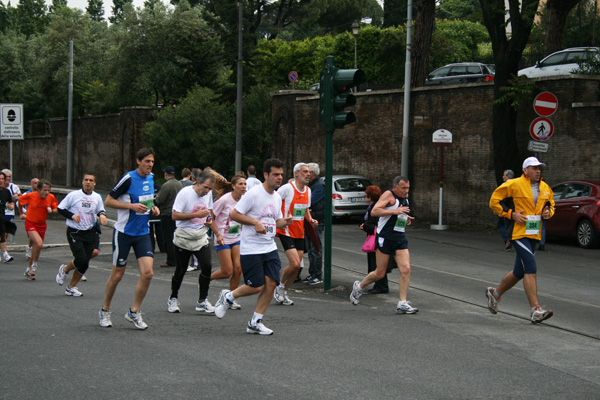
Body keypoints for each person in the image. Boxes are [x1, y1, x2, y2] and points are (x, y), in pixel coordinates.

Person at [214, 158, 293, 335]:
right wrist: (254, 222)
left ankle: (255, 321)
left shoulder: (278, 196)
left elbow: (275, 221)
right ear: (266, 175)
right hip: (251, 248)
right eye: (275, 174)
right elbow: (234, 214)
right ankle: (228, 296)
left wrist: (284, 222)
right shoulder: (253, 193)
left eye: (281, 174)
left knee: (271, 284)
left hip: (269, 247)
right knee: (256, 286)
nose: (279, 178)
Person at [486, 157, 555, 324]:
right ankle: (535, 310)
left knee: (519, 272)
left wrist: (548, 213)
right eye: (534, 168)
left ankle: (494, 294)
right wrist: (511, 214)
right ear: (525, 170)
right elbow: (494, 201)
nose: (538, 171)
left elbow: (551, 205)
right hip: (518, 233)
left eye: (539, 168)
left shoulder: (545, 188)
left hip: (534, 233)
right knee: (530, 267)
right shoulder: (514, 184)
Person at [98, 148, 160, 330]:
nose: (150, 165)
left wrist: (153, 207)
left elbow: (148, 200)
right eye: (147, 161)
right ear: (138, 161)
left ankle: (134, 311)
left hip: (142, 233)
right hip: (124, 233)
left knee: (148, 273)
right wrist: (131, 206)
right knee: (117, 275)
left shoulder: (150, 178)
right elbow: (108, 201)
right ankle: (105, 310)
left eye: (152, 162)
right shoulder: (128, 178)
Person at [350, 176, 418, 314]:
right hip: (385, 238)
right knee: (380, 273)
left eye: (408, 188)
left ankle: (402, 303)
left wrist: (405, 218)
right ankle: (359, 286)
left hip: (399, 238)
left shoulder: (405, 198)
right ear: (395, 187)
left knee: (406, 269)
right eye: (403, 188)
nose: (406, 191)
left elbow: (399, 215)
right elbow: (375, 211)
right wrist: (394, 211)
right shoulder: (388, 195)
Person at [167, 169, 221, 314]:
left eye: (210, 189)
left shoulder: (208, 194)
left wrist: (216, 232)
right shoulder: (185, 193)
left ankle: (202, 301)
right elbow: (174, 215)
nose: (207, 191)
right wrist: (196, 214)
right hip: (184, 236)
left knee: (207, 266)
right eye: (205, 188)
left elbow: (208, 214)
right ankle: (173, 298)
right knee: (181, 270)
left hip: (200, 235)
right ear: (197, 183)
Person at [55, 174, 107, 296]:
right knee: (81, 259)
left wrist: (102, 216)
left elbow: (100, 209)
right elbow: (60, 208)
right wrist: (72, 216)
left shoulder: (97, 197)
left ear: (95, 183)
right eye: (86, 180)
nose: (88, 182)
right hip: (75, 232)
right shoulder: (74, 195)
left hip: (89, 232)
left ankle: (71, 287)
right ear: (82, 182)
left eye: (91, 180)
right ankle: (65, 269)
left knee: (85, 263)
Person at [274, 162, 318, 306]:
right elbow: (273, 201)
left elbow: (305, 210)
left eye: (309, 172)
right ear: (296, 173)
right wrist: (278, 218)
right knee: (294, 263)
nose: (308, 174)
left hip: (299, 231)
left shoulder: (308, 191)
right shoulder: (287, 188)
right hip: (285, 230)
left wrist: (311, 220)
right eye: (305, 171)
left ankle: (284, 292)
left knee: (298, 266)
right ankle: (279, 286)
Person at [210, 173, 246, 309]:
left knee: (238, 269)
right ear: (233, 186)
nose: (243, 186)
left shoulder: (244, 199)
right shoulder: (224, 200)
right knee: (227, 272)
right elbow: (210, 217)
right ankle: (206, 278)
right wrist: (217, 234)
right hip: (223, 238)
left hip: (237, 237)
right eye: (240, 184)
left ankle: (230, 298)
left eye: (245, 184)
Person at [18, 179, 59, 280]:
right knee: (39, 243)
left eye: (48, 190)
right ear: (39, 190)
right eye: (44, 190)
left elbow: (56, 208)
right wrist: (21, 213)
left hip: (42, 225)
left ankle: (29, 269)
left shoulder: (51, 197)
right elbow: (20, 201)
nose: (46, 192)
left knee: (37, 247)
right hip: (30, 223)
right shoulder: (31, 196)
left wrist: (52, 210)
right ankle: (35, 265)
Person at [360, 185, 390, 294]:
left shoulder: (374, 208)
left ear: (369, 196)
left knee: (376, 263)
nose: (364, 197)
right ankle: (380, 285)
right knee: (377, 263)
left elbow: (376, 225)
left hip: (376, 239)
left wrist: (365, 226)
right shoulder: (373, 206)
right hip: (375, 238)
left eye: (366, 195)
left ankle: (380, 286)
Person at [156, 166, 183, 267]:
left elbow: (160, 199)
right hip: (177, 213)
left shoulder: (166, 185)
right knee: (176, 237)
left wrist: (157, 198)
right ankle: (178, 258)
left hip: (167, 213)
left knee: (168, 237)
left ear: (166, 174)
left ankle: (171, 260)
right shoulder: (179, 184)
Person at [303, 162, 325, 285]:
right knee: (311, 249)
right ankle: (312, 273)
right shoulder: (312, 185)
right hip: (310, 220)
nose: (306, 174)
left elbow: (309, 201)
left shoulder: (319, 186)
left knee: (315, 248)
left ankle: (317, 275)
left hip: (316, 221)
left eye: (307, 172)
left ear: (312, 173)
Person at [21, 178, 39, 260]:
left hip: (39, 217)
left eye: (38, 183)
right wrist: (25, 212)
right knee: (33, 235)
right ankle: (30, 249)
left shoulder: (41, 194)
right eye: (35, 183)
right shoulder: (26, 194)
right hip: (29, 218)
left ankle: (32, 249)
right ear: (31, 184)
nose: (37, 185)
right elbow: (20, 204)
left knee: (38, 235)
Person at [2, 169, 21, 243]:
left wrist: (17, 197)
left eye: (10, 177)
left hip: (9, 212)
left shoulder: (14, 187)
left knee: (6, 232)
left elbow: (21, 197)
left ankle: (3, 247)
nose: (8, 178)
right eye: (6, 177)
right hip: (1, 211)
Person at [497, 169, 514, 250]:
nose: (503, 177)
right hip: (515, 209)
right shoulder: (516, 184)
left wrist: (496, 207)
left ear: (507, 176)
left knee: (502, 224)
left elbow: (499, 198)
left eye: (504, 175)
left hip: (505, 209)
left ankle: (508, 240)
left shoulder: (504, 185)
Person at [0, 172, 15, 263]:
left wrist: (11, 206)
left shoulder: (6, 192)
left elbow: (11, 202)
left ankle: (5, 254)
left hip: (1, 217)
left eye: (2, 179)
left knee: (2, 236)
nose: (1, 181)